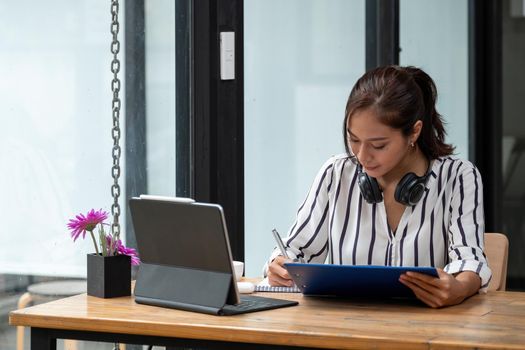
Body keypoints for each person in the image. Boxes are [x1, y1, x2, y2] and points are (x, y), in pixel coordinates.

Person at [264, 65, 492, 308]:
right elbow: (296, 252)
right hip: (344, 330)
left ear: (414, 132)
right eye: (354, 140)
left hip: (425, 333)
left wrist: (460, 287)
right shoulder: (336, 173)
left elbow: (469, 260)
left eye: (378, 145)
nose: (362, 156)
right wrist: (279, 264)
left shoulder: (457, 176)